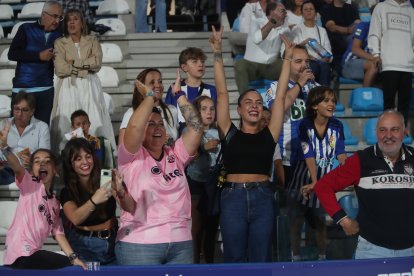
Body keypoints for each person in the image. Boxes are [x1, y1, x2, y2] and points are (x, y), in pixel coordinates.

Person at [210, 25, 288, 262]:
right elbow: (222, 93)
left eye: (258, 102)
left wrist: (287, 59)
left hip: (264, 197)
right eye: (248, 102)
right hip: (232, 199)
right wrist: (217, 52)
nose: (254, 105)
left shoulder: (269, 133)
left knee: (261, 259)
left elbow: (281, 96)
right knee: (233, 259)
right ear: (239, 109)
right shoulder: (229, 132)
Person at [114, 69, 203, 265]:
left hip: (181, 244)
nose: (157, 128)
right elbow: (135, 127)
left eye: (160, 124)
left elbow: (196, 126)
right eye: (150, 124)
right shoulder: (129, 156)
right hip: (140, 243)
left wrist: (179, 94)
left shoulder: (176, 154)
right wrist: (149, 96)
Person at [314, 110, 414, 259]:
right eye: (383, 130)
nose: (388, 135)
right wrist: (343, 220)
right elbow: (323, 187)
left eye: (394, 129)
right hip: (372, 251)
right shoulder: (360, 160)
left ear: (404, 132)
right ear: (376, 133)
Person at [0, 123, 85, 269]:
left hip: (33, 254)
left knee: (71, 263)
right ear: (32, 171)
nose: (42, 164)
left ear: (55, 170)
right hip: (20, 254)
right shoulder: (30, 185)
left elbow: (58, 233)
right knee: (68, 265)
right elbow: (18, 168)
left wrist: (73, 257)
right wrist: (4, 148)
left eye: (47, 161)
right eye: (37, 161)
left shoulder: (55, 202)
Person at [288, 86, 347, 261]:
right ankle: (295, 257)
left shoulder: (337, 125)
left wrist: (348, 170)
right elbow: (309, 155)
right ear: (314, 105)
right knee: (296, 221)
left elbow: (341, 153)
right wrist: (314, 181)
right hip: (301, 181)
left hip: (323, 182)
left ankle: (322, 258)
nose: (332, 104)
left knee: (320, 221)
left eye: (333, 101)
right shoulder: (303, 125)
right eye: (326, 101)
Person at [51, 9, 116, 155]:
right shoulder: (60, 43)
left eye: (75, 19)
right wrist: (85, 67)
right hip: (68, 87)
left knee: (94, 121)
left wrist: (74, 62)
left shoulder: (92, 40)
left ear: (82, 23)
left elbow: (97, 63)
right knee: (66, 123)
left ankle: (99, 159)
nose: (72, 22)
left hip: (90, 86)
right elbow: (61, 69)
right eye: (69, 20)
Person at [264, 45, 317, 189]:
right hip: (285, 156)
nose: (304, 65)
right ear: (287, 63)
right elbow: (276, 110)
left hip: (311, 156)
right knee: (285, 205)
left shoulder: (316, 88)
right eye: (298, 61)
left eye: (306, 61)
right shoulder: (274, 86)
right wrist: (300, 84)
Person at [60, 138, 117, 265]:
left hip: (114, 243)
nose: (85, 162)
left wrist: (121, 191)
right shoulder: (67, 191)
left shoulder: (107, 180)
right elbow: (75, 218)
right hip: (84, 246)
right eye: (78, 159)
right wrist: (94, 200)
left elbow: (129, 207)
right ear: (71, 164)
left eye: (88, 156)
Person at [8, 1, 63, 125]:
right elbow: (12, 54)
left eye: (60, 17)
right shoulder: (26, 28)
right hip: (22, 90)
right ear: (43, 15)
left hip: (46, 90)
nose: (57, 20)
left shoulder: (60, 34)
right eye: (54, 16)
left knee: (42, 132)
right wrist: (38, 56)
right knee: (18, 132)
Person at [185, 95, 220, 263]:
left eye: (212, 109)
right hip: (195, 183)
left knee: (211, 229)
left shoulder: (219, 131)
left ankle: (210, 263)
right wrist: (203, 147)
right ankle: (194, 264)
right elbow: (184, 155)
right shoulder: (189, 131)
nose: (209, 112)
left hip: (214, 183)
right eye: (204, 109)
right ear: (196, 112)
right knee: (196, 229)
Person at [368, 0, 414, 126]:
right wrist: (376, 54)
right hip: (389, 63)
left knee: (404, 104)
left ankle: (402, 132)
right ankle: (387, 131)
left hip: (408, 65)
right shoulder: (381, 7)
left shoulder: (411, 10)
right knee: (388, 104)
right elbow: (374, 33)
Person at [234, 2, 290, 94]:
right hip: (253, 64)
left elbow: (285, 51)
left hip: (272, 65)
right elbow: (257, 38)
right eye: (282, 11)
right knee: (240, 65)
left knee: (289, 65)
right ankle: (244, 98)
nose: (285, 14)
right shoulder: (257, 22)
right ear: (272, 12)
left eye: (285, 12)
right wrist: (272, 23)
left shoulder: (284, 29)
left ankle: (282, 98)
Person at [118, 68, 179, 145]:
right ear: (141, 88)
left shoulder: (172, 110)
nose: (158, 85)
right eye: (152, 82)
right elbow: (122, 145)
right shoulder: (132, 113)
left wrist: (170, 142)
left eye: (160, 81)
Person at [165, 47, 217, 134]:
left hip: (207, 137)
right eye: (195, 61)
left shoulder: (212, 90)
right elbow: (169, 117)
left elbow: (216, 119)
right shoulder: (175, 89)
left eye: (202, 61)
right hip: (180, 139)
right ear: (184, 67)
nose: (200, 65)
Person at [1, 91, 50, 170]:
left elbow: (45, 156)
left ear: (32, 111)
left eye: (25, 110)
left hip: (30, 171)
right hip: (6, 170)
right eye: (17, 109)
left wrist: (33, 160)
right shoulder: (3, 124)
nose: (19, 114)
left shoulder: (42, 127)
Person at [292, 0, 332, 86]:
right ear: (302, 13)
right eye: (306, 9)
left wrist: (326, 58)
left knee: (325, 66)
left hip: (320, 62)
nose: (309, 11)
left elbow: (328, 51)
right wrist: (305, 42)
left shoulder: (322, 30)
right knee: (314, 67)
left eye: (311, 9)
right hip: (305, 61)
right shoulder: (296, 29)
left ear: (316, 13)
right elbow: (293, 49)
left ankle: (324, 94)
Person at [341, 5, 378, 87]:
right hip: (350, 63)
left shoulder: (385, 31)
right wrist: (375, 58)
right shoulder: (363, 26)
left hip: (370, 63)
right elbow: (355, 49)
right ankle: (365, 96)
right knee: (374, 65)